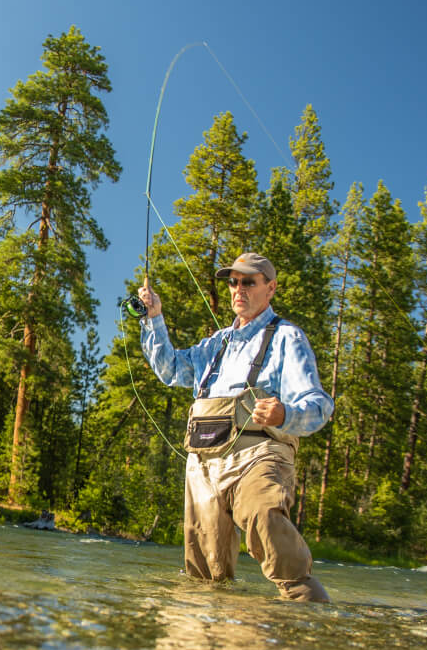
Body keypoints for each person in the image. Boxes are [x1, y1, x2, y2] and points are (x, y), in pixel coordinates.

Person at [137, 252, 332, 603]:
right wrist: (154, 318)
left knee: (265, 519)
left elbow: (319, 405)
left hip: (258, 454)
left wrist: (284, 413)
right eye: (233, 282)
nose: (238, 289)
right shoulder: (215, 343)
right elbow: (170, 369)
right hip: (203, 463)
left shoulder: (288, 337)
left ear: (270, 288)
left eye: (248, 282)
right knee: (204, 573)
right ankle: (208, 642)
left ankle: (309, 619)